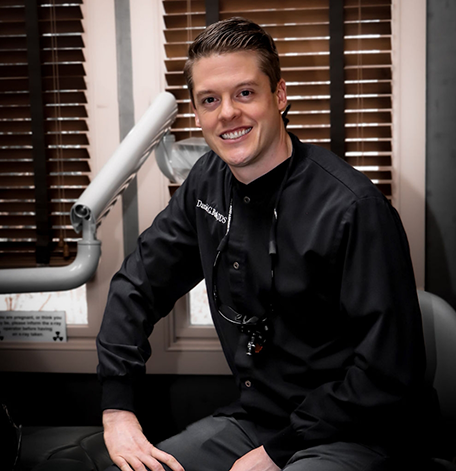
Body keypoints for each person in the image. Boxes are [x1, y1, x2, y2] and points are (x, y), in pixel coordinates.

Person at [98, 17, 436, 471]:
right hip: (258, 422)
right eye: (209, 100)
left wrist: (277, 453)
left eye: (244, 93)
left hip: (358, 431)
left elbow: (389, 374)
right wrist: (117, 408)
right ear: (197, 114)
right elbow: (137, 285)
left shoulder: (353, 208)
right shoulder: (206, 185)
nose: (227, 114)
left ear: (278, 95)